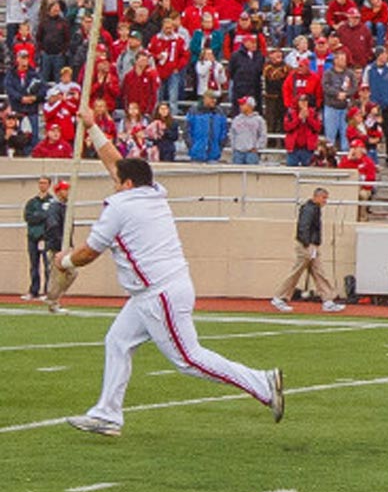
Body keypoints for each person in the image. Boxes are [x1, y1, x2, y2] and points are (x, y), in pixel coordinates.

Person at [65, 126, 286, 436]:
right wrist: (92, 126)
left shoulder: (120, 206)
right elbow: (116, 163)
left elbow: (88, 253)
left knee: (188, 359)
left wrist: (63, 262)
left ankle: (261, 382)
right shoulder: (153, 190)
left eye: (116, 182)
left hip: (159, 292)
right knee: (117, 341)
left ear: (127, 185)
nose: (112, 185)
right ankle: (107, 413)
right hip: (152, 291)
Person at [271, 188, 337, 313]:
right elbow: (303, 227)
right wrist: (308, 244)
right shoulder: (309, 209)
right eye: (324, 198)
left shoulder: (314, 209)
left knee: (319, 273)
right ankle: (280, 297)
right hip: (307, 246)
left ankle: (328, 300)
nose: (325, 201)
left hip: (312, 246)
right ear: (317, 197)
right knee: (296, 272)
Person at [24, 177, 65, 304]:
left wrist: (40, 215)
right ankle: (33, 291)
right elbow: (28, 217)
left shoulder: (52, 203)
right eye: (40, 183)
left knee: (48, 266)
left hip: (46, 238)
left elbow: (50, 218)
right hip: (33, 238)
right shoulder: (32, 202)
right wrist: (40, 215)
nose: (42, 185)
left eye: (45, 183)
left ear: (49, 185)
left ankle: (48, 292)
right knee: (33, 265)